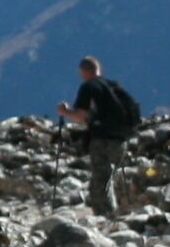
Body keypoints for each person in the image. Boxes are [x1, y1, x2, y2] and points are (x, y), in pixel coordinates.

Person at [57, 56, 143, 215]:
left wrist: (64, 112)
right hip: (121, 139)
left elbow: (80, 116)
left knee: (100, 181)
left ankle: (107, 216)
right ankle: (117, 213)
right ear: (99, 69)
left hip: (103, 139)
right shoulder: (113, 86)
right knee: (109, 178)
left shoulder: (89, 87)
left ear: (83, 71)